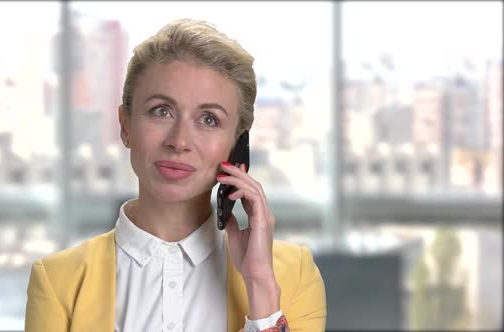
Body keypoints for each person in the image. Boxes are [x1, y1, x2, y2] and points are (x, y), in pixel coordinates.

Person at [25, 18, 326, 332]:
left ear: (238, 144)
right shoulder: (58, 282)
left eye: (209, 119)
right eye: (161, 111)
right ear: (125, 125)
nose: (179, 141)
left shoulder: (293, 276)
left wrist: (261, 288)